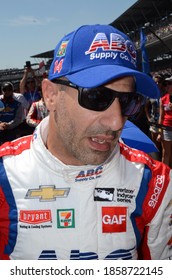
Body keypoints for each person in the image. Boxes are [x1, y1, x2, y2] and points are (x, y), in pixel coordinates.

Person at [0, 24, 171, 260]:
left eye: (129, 101)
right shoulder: (4, 175)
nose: (116, 122)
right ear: (50, 95)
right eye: (97, 96)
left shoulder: (155, 183)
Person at [157, 76, 172, 167]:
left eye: (170, 84)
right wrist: (160, 132)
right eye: (166, 84)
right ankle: (164, 174)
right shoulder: (163, 99)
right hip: (167, 129)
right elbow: (161, 117)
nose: (167, 86)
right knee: (166, 153)